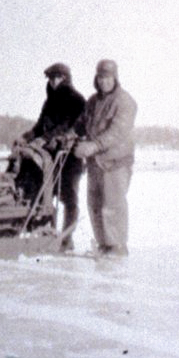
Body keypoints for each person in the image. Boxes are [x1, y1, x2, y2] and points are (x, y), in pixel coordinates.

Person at [17, 62, 87, 251]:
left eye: (58, 77)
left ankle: (66, 239)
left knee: (69, 197)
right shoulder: (49, 102)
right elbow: (40, 126)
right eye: (51, 78)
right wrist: (27, 137)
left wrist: (45, 139)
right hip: (50, 157)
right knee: (47, 194)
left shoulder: (76, 100)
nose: (54, 81)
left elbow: (66, 126)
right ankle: (48, 233)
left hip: (69, 157)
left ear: (66, 78)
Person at [73, 59, 137, 257]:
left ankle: (117, 247)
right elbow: (80, 124)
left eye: (108, 77)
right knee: (95, 204)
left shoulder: (125, 101)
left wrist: (94, 145)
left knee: (112, 204)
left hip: (115, 163)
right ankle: (103, 244)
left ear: (115, 78)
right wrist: (69, 137)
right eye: (101, 77)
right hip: (95, 163)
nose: (104, 82)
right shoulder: (92, 102)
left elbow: (117, 131)